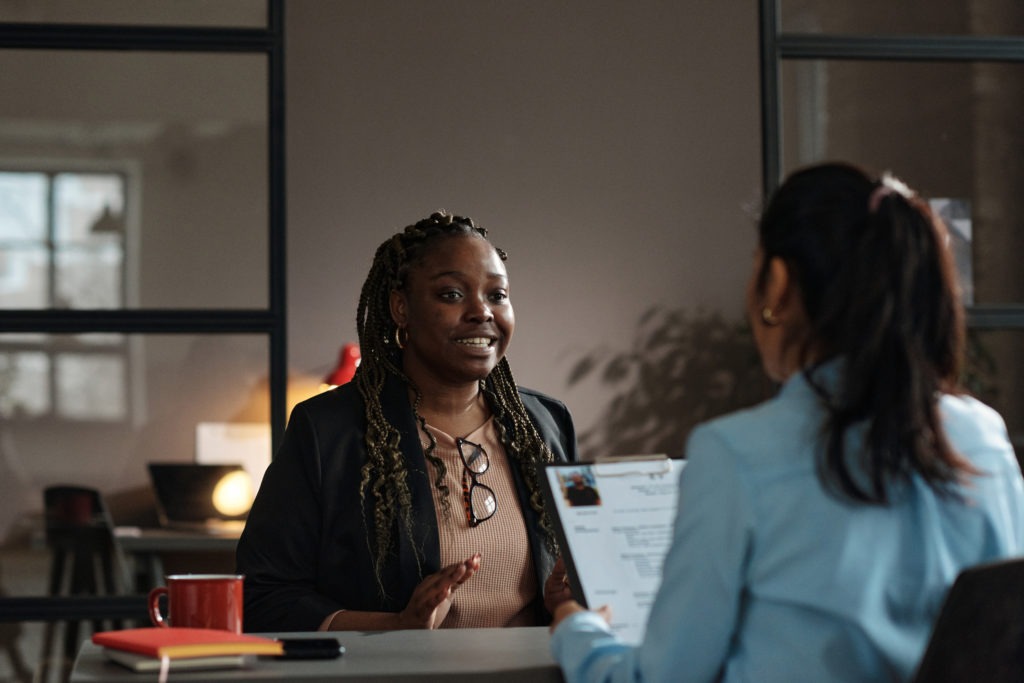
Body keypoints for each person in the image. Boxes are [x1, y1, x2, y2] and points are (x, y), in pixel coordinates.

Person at [549, 162, 1024, 681]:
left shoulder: (734, 453)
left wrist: (576, 631)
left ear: (776, 284)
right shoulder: (983, 436)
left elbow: (663, 678)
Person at [237, 211, 578, 632]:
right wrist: (397, 624)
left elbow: (575, 573)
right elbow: (264, 596)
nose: (482, 312)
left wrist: (565, 600)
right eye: (452, 295)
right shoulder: (328, 431)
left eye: (498, 295)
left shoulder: (545, 425)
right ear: (401, 308)